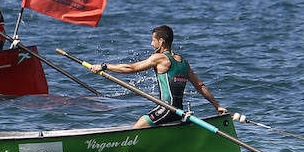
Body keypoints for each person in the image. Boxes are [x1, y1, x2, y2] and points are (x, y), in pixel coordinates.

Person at [89, 25, 226, 128]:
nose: (151, 44)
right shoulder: (184, 62)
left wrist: (104, 66)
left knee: (135, 130)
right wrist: (217, 106)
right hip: (179, 112)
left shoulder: (160, 58)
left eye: (153, 40)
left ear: (161, 41)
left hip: (166, 110)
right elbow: (200, 86)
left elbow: (131, 68)